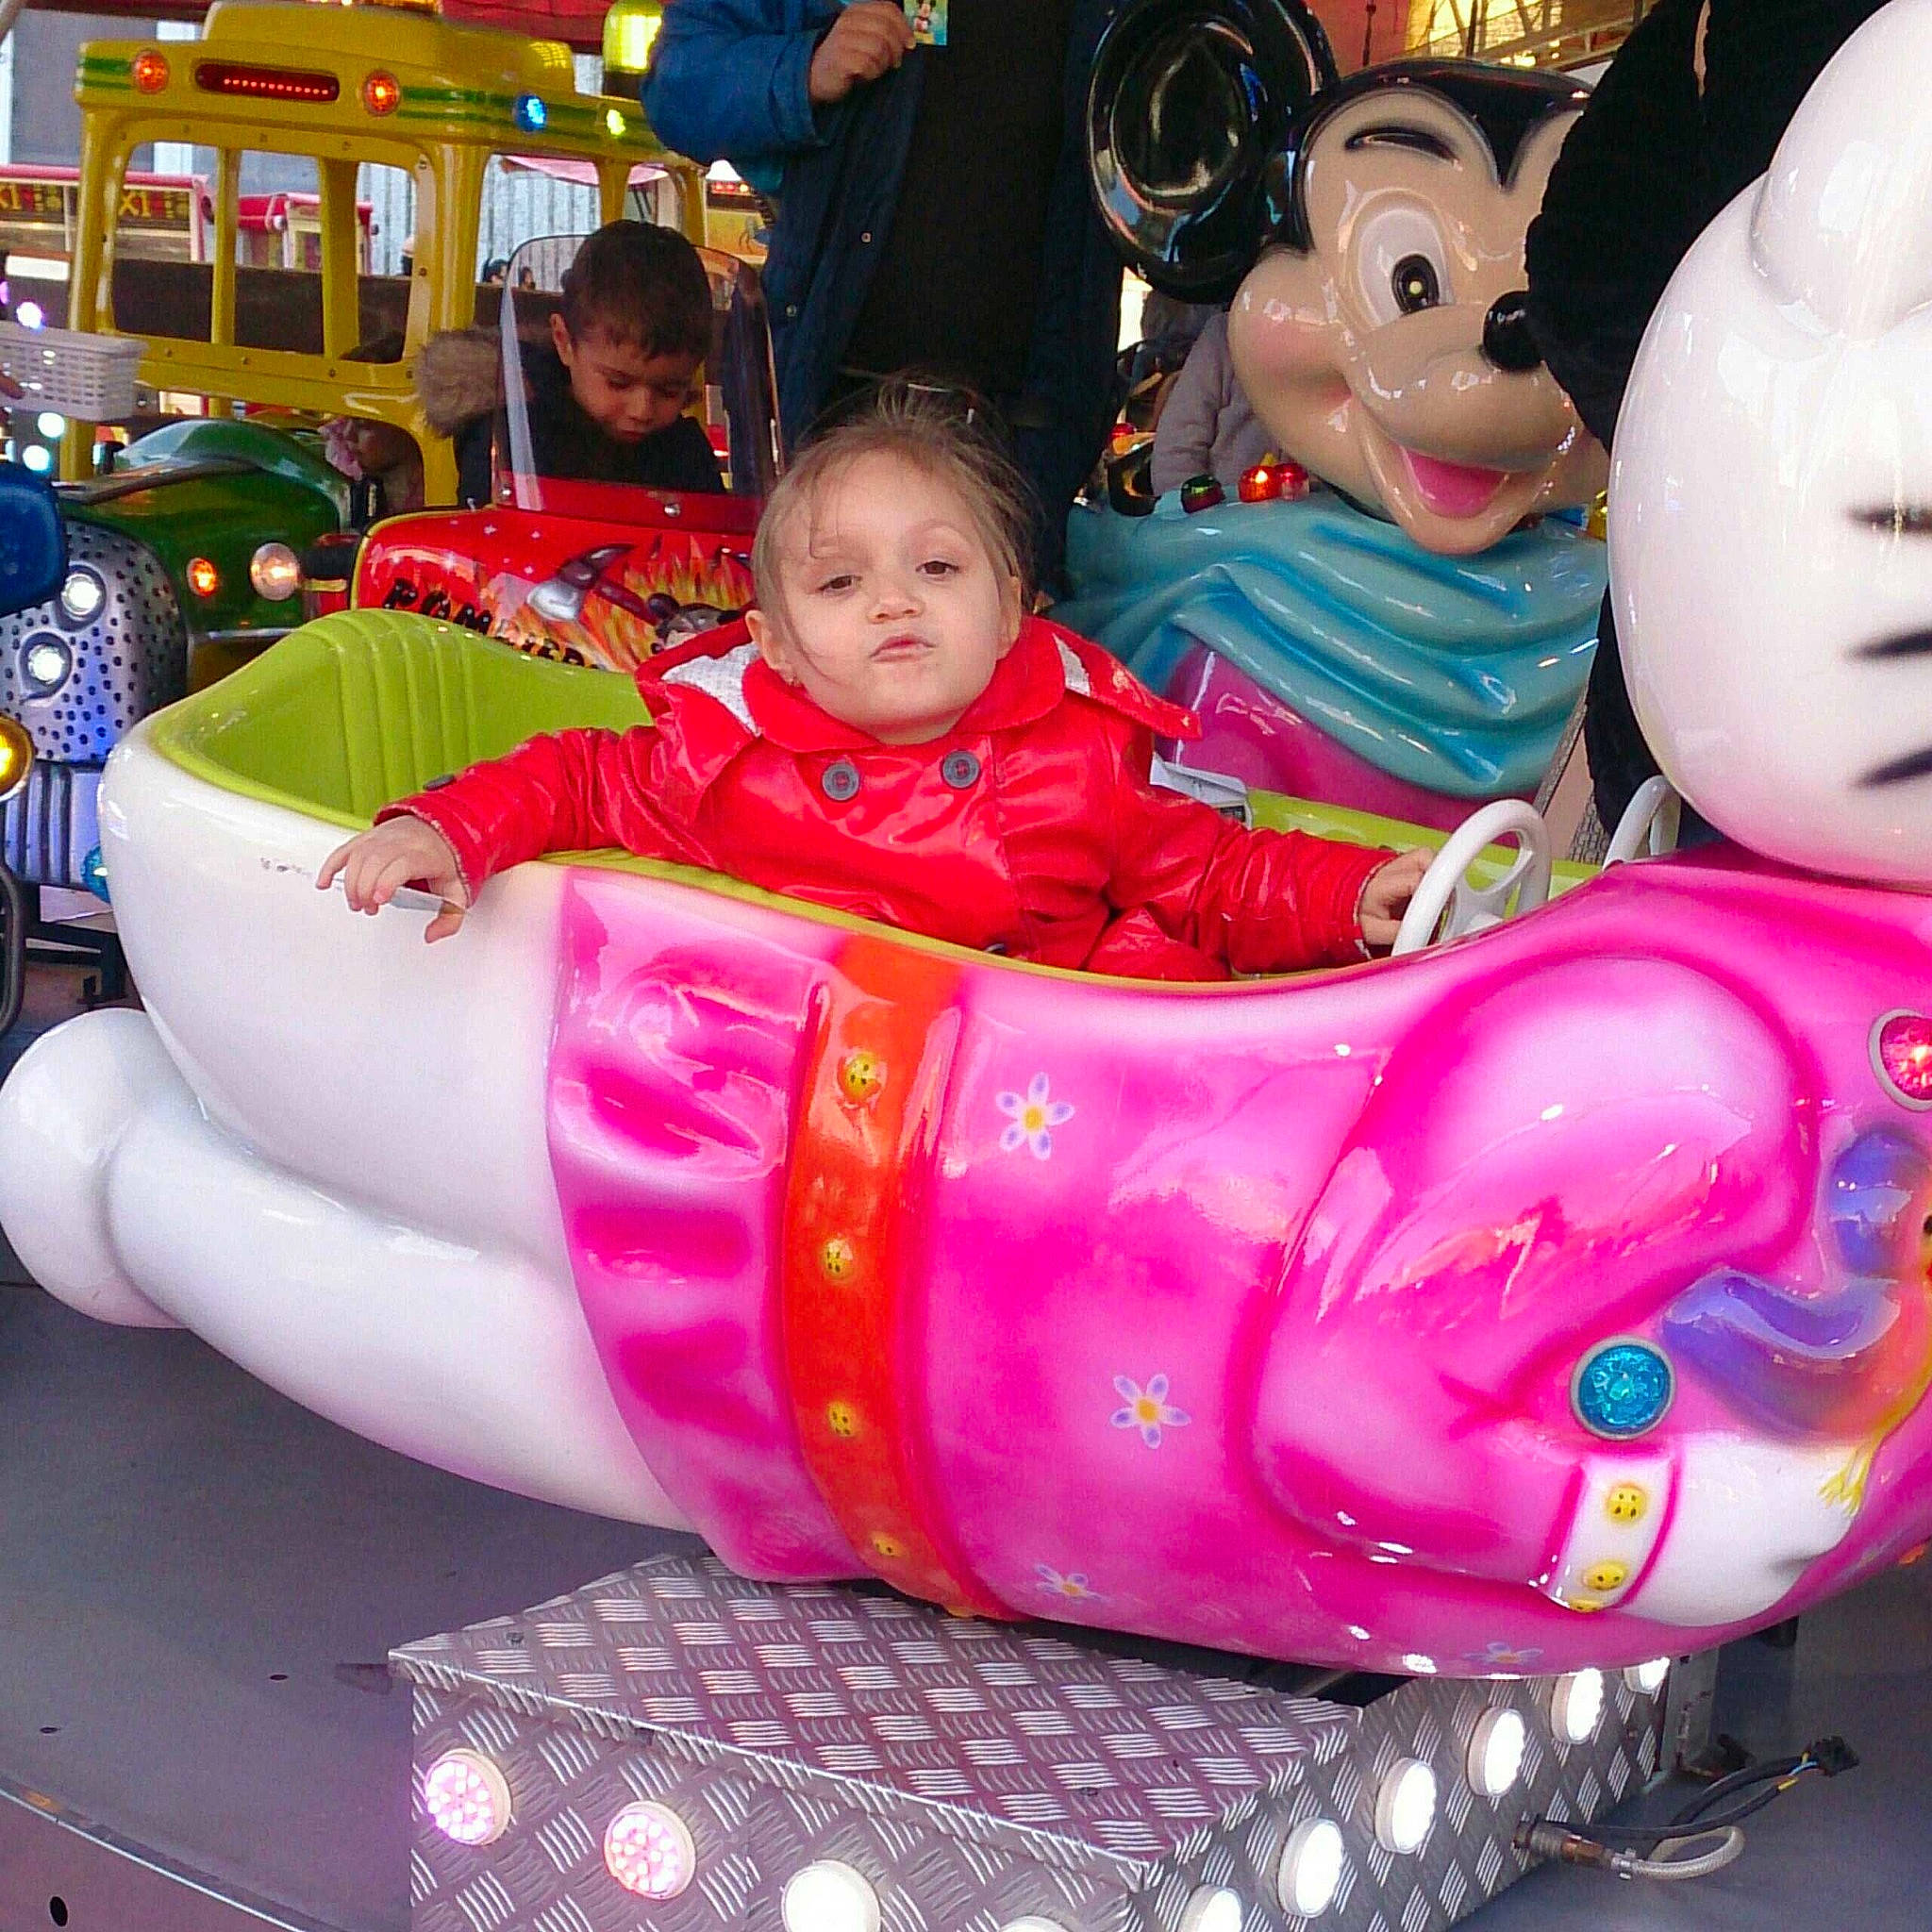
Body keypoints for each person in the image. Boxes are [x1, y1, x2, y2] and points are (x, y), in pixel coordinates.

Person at [321, 385, 1427, 980]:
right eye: (842, 582)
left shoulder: (1077, 750)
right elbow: (574, 776)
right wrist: (445, 831)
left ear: (1007, 609)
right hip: (821, 1088)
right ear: (777, 643)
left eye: (935, 568)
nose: (895, 601)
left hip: (1040, 1091)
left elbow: (1212, 870)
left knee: (1180, 973)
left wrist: (1353, 896)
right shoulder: (725, 758)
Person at [1524, 0, 1890, 832]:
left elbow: (1579, 266)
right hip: (1748, 626)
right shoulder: (1718, 37)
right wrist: (1708, 437)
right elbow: (1582, 264)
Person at [640, 0, 1124, 594]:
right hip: (832, 404)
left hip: (1021, 438)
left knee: (987, 664)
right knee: (816, 642)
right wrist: (804, 70)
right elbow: (675, 84)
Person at [414, 220, 725, 508]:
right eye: (618, 383)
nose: (642, 410)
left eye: (670, 390)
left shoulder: (686, 453)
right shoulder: (514, 434)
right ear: (564, 342)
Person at [1148, 309, 1274, 499]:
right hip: (1226, 516)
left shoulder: (1332, 341)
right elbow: (1176, 451)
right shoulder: (1224, 336)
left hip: (1321, 517)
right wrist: (1195, 514)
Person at [321, 334, 425, 522]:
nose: (348, 434)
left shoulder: (443, 486)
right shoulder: (344, 467)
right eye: (347, 420)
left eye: (363, 424)